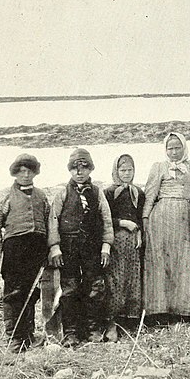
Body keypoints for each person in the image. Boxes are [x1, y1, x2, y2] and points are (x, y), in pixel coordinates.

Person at [48, 148, 114, 347]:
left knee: (95, 288)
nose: (79, 172)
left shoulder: (97, 193)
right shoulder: (62, 194)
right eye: (75, 168)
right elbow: (53, 221)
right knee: (70, 289)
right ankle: (71, 332)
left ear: (90, 169)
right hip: (68, 248)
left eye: (84, 168)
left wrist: (106, 246)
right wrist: (55, 247)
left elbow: (107, 220)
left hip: (92, 248)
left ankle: (93, 329)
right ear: (70, 170)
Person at [0, 153, 50, 353]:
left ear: (34, 172)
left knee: (32, 293)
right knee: (14, 293)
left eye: (29, 170)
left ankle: (29, 335)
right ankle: (14, 338)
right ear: (15, 173)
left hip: (37, 250)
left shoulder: (41, 195)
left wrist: (49, 248)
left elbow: (49, 222)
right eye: (21, 171)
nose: (25, 175)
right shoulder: (6, 195)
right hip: (14, 251)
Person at [142, 133, 190, 322]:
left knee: (185, 260)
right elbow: (150, 194)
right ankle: (160, 311)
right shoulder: (159, 167)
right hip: (161, 218)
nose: (173, 152)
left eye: (177, 148)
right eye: (170, 148)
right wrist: (145, 219)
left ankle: (185, 310)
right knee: (160, 262)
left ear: (184, 148)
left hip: (184, 216)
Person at [103, 154, 145, 341]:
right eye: (123, 170)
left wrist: (139, 233)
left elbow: (141, 217)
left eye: (130, 170)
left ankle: (130, 321)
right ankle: (111, 322)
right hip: (116, 242)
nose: (127, 174)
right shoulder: (109, 193)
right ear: (116, 171)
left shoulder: (138, 193)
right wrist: (122, 223)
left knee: (133, 279)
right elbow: (103, 219)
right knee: (115, 281)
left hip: (133, 244)